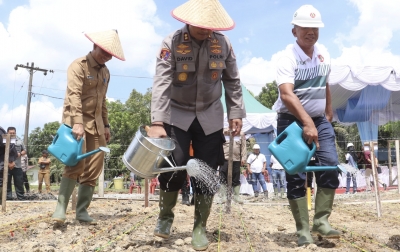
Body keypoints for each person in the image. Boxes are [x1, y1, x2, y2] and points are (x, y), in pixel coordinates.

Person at [147, 0, 245, 250]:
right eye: (201, 25)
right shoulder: (171, 43)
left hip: (210, 115)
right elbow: (161, 82)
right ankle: (165, 218)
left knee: (206, 171)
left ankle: (199, 227)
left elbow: (232, 81)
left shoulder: (223, 44)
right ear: (187, 21)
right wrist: (157, 122)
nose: (206, 30)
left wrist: (235, 113)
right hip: (176, 114)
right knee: (173, 166)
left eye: (210, 26)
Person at [272, 5, 341, 246]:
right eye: (305, 28)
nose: (311, 32)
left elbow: (326, 84)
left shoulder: (324, 54)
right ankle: (302, 230)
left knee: (330, 164)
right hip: (291, 121)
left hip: (319, 120)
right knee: (296, 173)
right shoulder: (287, 58)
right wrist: (307, 122)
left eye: (315, 28)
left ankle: (321, 221)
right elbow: (286, 94)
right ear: (295, 31)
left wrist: (328, 110)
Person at [51, 30, 125, 224]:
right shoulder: (78, 66)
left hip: (97, 125)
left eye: (110, 54)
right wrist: (77, 122)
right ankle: (60, 209)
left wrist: (106, 125)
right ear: (95, 46)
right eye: (104, 51)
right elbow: (73, 94)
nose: (106, 56)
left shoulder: (106, 72)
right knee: (74, 164)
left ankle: (82, 210)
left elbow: (103, 102)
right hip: (77, 123)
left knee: (93, 169)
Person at [219, 128, 246, 204]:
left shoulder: (241, 134)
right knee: (223, 176)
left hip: (236, 159)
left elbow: (244, 147)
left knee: (236, 176)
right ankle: (223, 196)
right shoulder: (224, 133)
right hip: (224, 158)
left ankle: (236, 196)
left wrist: (243, 157)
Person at [6, 127, 26, 200]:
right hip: (6, 166)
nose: (12, 134)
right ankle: (8, 198)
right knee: (7, 183)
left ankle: (21, 198)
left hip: (17, 166)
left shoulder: (20, 141)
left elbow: (25, 150)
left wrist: (20, 153)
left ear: (15, 133)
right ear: (7, 133)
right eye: (10, 133)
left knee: (19, 183)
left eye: (13, 133)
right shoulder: (3, 141)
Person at [0, 126, 18, 204]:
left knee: (0, 181)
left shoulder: (1, 131)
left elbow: (9, 146)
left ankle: (1, 203)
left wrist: (10, 160)